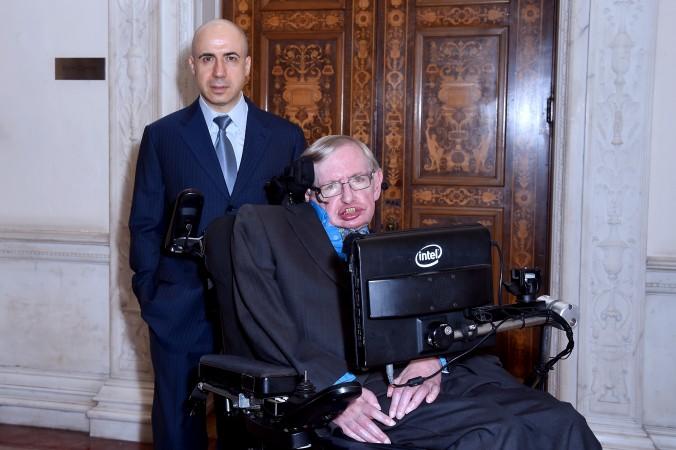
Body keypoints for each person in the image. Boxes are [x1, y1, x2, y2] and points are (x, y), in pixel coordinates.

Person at [229, 135, 601, 449]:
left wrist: (431, 360)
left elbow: (451, 321)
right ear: (312, 196)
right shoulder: (268, 231)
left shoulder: (404, 248)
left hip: (434, 379)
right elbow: (266, 323)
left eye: (357, 181)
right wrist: (336, 394)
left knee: (562, 421)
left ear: (376, 183)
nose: (347, 198)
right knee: (498, 434)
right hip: (357, 392)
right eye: (330, 187)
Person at [128, 18, 306, 450]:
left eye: (230, 58)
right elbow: (144, 224)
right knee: (177, 421)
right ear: (192, 65)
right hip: (179, 309)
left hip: (257, 310)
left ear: (247, 65)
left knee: (250, 425)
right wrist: (151, 295)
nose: (219, 72)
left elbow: (299, 226)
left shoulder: (285, 138)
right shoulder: (162, 136)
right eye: (208, 58)